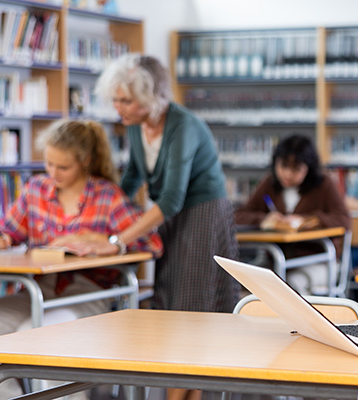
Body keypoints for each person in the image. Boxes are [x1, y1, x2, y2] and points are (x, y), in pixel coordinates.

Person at [0, 119, 163, 400]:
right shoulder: (36, 190)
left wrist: (110, 243)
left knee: (37, 332)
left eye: (63, 167)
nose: (53, 172)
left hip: (89, 293)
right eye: (49, 164)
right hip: (39, 289)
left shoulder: (107, 197)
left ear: (85, 161)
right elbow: (7, 231)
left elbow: (152, 243)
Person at [89, 54, 239, 400]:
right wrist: (101, 216)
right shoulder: (135, 125)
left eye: (126, 100)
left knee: (190, 308)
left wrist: (118, 240)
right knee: (170, 302)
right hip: (168, 217)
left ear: (152, 96)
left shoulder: (182, 126)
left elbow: (171, 198)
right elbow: (131, 178)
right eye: (115, 98)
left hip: (201, 212)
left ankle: (186, 394)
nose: (118, 107)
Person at [234, 134, 351, 294]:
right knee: (246, 283)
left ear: (308, 169)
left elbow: (344, 219)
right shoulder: (270, 184)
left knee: (291, 286)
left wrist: (309, 219)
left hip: (317, 260)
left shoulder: (324, 185)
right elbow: (239, 215)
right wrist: (264, 220)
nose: (288, 174)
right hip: (276, 259)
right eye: (283, 166)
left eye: (296, 169)